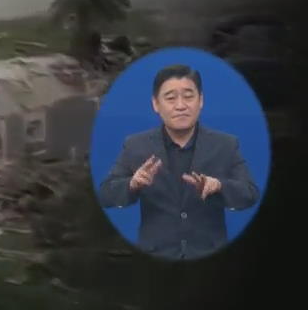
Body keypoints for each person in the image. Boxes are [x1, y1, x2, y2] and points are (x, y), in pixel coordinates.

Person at [98, 64, 261, 260]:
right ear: (155, 104)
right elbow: (106, 194)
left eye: (188, 96)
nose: (181, 105)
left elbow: (250, 194)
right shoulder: (135, 145)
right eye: (170, 98)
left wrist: (219, 186)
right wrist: (132, 185)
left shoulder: (226, 145)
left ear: (201, 100)